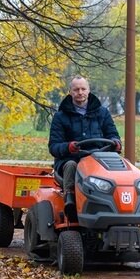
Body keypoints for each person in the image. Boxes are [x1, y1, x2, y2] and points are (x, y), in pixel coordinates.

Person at [48, 76, 121, 219]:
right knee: (70, 166)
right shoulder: (60, 116)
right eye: (76, 90)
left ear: (89, 91)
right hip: (71, 158)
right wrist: (68, 147)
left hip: (99, 158)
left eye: (83, 89)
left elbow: (112, 134)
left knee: (119, 166)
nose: (80, 92)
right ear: (70, 92)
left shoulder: (102, 113)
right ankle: (70, 198)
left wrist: (116, 142)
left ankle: (118, 202)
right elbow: (54, 146)